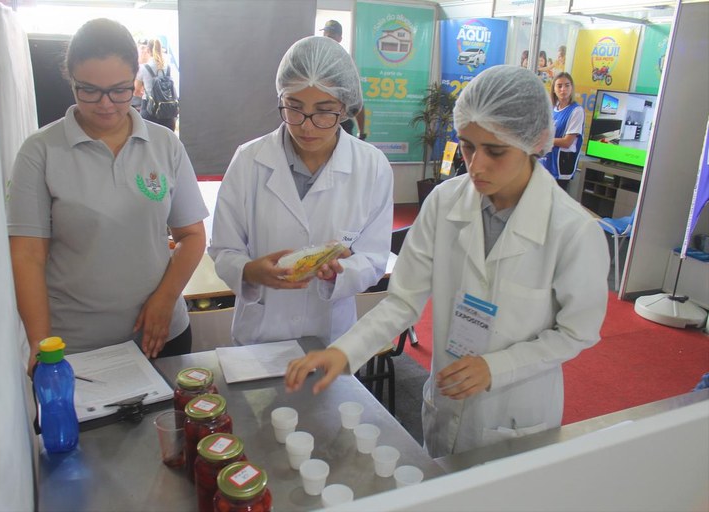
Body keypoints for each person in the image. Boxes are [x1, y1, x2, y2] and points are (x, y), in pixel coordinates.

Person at [285, 65, 610, 457]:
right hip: (446, 400)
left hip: (515, 416)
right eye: (468, 146)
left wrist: (498, 367)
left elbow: (577, 332)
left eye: (495, 151)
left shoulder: (573, 230)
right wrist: (345, 351)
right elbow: (404, 300)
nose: (476, 165)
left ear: (534, 142)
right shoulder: (445, 202)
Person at [7, 18, 208, 369]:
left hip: (161, 333)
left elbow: (191, 236)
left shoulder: (164, 144)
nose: (106, 104)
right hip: (78, 346)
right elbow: (28, 255)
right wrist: (40, 341)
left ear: (135, 79)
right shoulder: (40, 151)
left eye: (119, 90)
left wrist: (165, 299)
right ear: (71, 80)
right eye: (89, 90)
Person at [207, 35, 393, 345]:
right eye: (294, 108)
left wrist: (340, 272)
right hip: (261, 334)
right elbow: (224, 248)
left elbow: (374, 259)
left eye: (324, 111)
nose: (306, 126)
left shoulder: (371, 166)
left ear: (345, 107)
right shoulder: (249, 160)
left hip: (331, 338)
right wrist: (250, 271)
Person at [320, 20, 368, 141]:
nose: (327, 39)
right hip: (318, 121)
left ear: (340, 39)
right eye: (325, 35)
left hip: (340, 125)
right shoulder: (316, 60)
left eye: (331, 36)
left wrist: (362, 133)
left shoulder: (346, 63)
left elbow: (357, 101)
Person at [540, 72, 584, 190]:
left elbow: (567, 142)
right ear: (554, 89)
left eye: (567, 85)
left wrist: (544, 139)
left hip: (561, 165)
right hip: (546, 162)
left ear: (572, 88)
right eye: (559, 86)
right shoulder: (552, 109)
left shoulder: (576, 110)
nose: (563, 89)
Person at [135, 37, 177, 131]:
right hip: (167, 110)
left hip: (149, 110)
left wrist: (146, 93)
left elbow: (136, 91)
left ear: (148, 50)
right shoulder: (168, 67)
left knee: (149, 137)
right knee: (167, 138)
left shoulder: (143, 68)